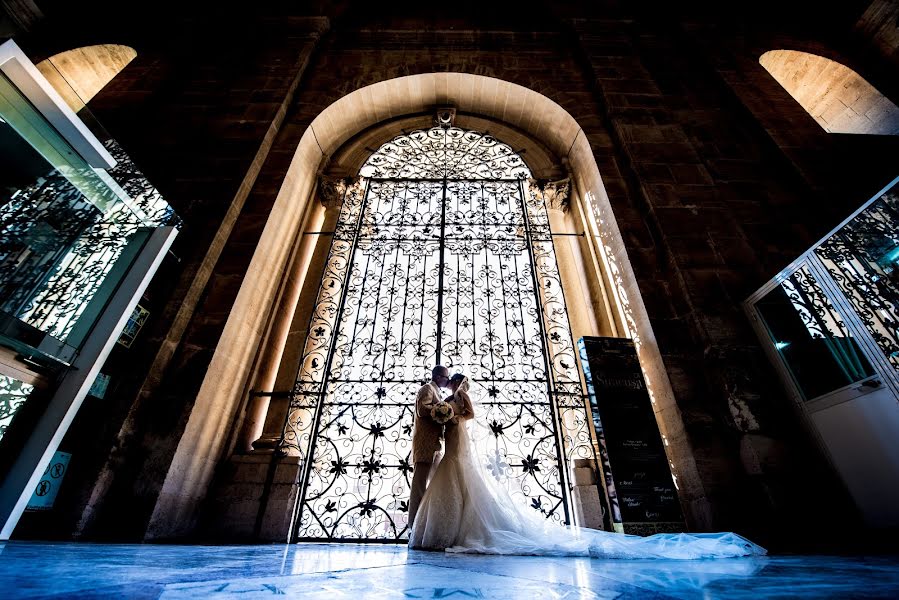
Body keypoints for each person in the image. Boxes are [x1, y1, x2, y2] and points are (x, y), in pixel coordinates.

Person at [409, 374, 766, 559]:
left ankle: (446, 533)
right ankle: (438, 532)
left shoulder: (460, 398)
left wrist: (452, 414)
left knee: (460, 485)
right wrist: (444, 415)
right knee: (451, 486)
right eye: (449, 383)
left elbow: (466, 414)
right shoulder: (442, 399)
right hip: (449, 445)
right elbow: (440, 416)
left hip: (460, 445)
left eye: (453, 382)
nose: (450, 386)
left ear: (457, 382)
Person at [408, 365, 451, 527]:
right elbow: (422, 409)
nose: (447, 381)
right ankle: (414, 526)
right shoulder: (427, 388)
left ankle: (428, 523)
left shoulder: (437, 392)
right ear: (439, 377)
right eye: (446, 378)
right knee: (419, 486)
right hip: (425, 444)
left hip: (435, 445)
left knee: (435, 484)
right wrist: (442, 408)